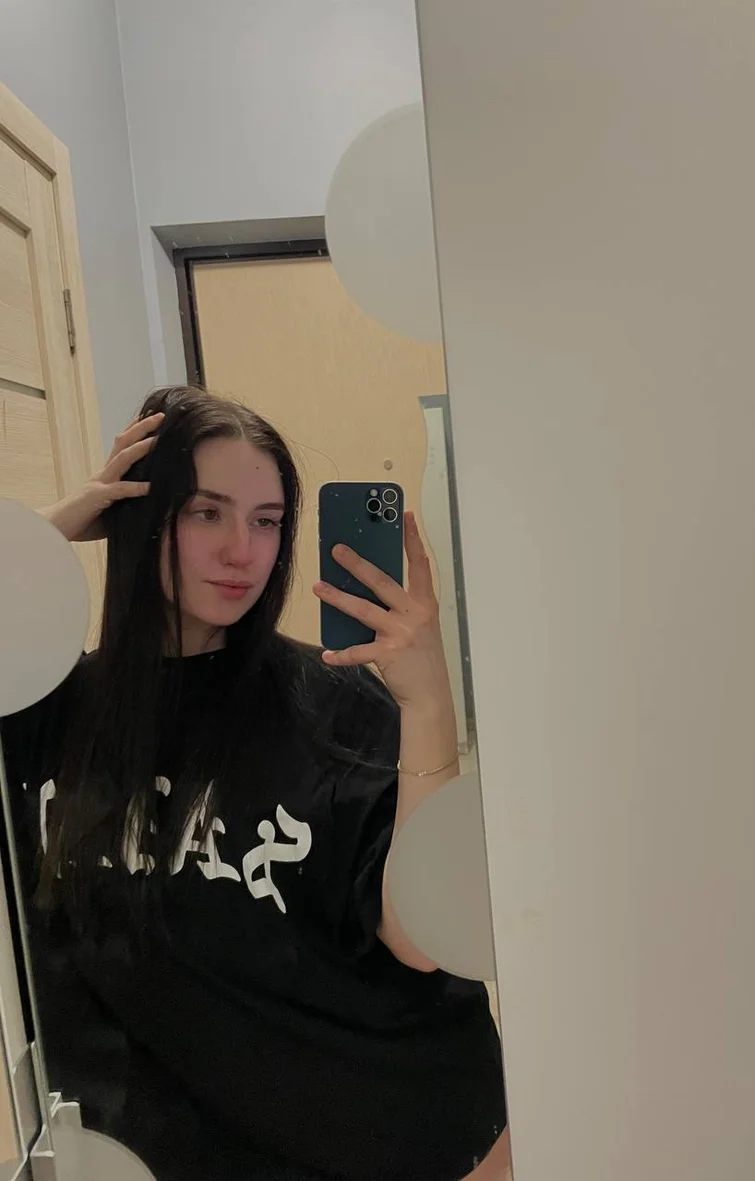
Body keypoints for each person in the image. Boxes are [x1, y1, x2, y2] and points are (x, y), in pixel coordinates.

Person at [0, 386, 510, 1181]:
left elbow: (416, 939)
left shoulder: (333, 704)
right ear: (142, 512)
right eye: (206, 512)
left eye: (267, 520)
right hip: (156, 1149)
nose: (244, 550)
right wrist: (60, 524)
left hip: (386, 1137)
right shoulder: (50, 710)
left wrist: (429, 704)